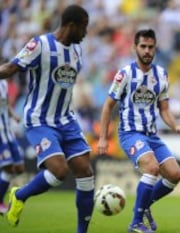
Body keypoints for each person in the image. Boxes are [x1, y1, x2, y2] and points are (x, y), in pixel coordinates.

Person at [0, 5, 94, 233]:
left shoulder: (78, 51)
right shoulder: (40, 45)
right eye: (83, 28)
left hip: (66, 120)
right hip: (39, 119)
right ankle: (20, 195)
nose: (85, 33)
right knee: (59, 171)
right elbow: (11, 68)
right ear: (71, 26)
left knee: (86, 173)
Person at [97, 28, 180, 233]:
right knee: (152, 168)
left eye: (151, 47)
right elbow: (108, 106)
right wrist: (103, 138)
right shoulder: (125, 74)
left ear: (155, 48)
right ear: (134, 47)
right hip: (130, 133)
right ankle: (136, 223)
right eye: (143, 46)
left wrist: (175, 126)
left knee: (174, 174)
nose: (147, 50)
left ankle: (144, 205)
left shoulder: (161, 74)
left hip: (151, 135)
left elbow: (164, 109)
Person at [0, 80, 25, 214]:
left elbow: (6, 104)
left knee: (19, 167)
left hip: (8, 131)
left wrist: (13, 115)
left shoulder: (3, 83)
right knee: (8, 167)